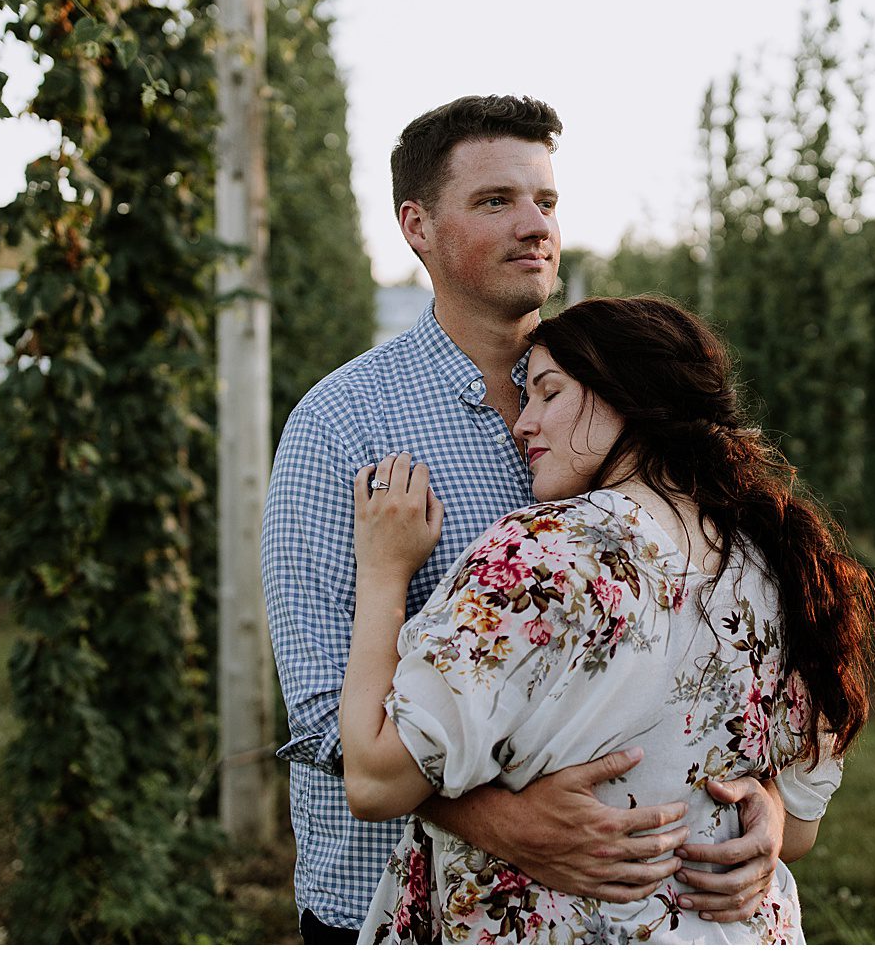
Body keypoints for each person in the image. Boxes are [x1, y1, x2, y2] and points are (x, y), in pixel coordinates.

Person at [262, 96, 786, 943]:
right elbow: (325, 713)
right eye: (496, 201)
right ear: (416, 225)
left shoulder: (618, 393)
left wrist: (748, 798)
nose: (535, 225)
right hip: (400, 901)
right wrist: (505, 822)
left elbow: (703, 644)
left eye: (546, 201)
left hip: (631, 911)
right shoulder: (343, 425)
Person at [342, 295, 875, 943]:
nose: (523, 423)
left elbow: (373, 779)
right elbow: (797, 829)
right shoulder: (786, 563)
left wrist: (381, 572)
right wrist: (757, 803)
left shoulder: (540, 553)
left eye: (547, 392)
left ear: (623, 394)